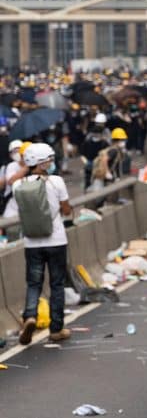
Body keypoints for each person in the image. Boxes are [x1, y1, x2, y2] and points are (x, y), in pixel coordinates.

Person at [14, 143, 72, 345]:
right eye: (49, 159)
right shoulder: (56, 182)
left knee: (33, 283)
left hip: (31, 242)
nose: (52, 162)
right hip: (56, 240)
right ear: (43, 162)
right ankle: (56, 329)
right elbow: (66, 210)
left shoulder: (18, 185)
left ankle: (30, 315)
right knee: (56, 284)